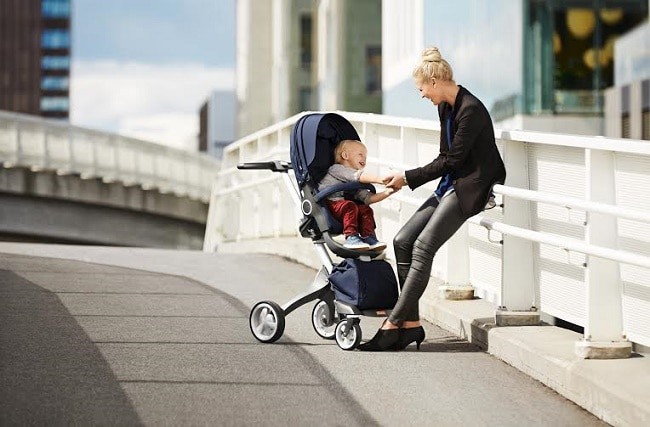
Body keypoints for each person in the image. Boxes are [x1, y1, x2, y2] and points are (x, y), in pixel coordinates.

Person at [358, 47, 506, 351]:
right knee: (403, 240)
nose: (422, 95)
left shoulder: (471, 110)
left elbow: (452, 160)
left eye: (422, 88)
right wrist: (408, 178)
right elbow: (444, 157)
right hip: (450, 183)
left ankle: (392, 323)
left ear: (435, 81)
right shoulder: (446, 108)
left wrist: (408, 177)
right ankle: (411, 324)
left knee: (423, 246)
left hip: (472, 186)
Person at [318, 139, 397, 251]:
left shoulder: (354, 180)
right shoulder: (337, 169)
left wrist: (388, 192)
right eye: (360, 154)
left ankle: (368, 236)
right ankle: (351, 238)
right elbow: (358, 176)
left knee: (365, 209)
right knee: (350, 206)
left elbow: (368, 198)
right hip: (330, 204)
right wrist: (380, 179)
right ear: (345, 155)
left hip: (345, 207)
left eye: (365, 156)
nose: (364, 158)